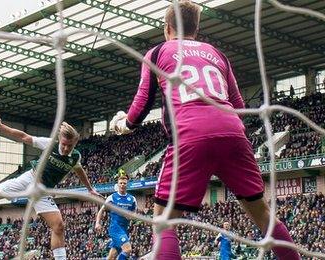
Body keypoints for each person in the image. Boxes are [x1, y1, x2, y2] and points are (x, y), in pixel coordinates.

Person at [109, 1, 300, 259]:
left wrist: (124, 125)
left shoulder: (156, 53)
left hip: (190, 135)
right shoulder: (216, 54)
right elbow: (240, 105)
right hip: (233, 133)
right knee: (264, 215)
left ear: (167, 28)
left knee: (164, 222)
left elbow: (142, 104)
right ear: (196, 30)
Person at [0, 111, 101, 260]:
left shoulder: (75, 157)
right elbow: (23, 136)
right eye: (63, 144)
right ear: (59, 139)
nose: (65, 148)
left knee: (58, 226)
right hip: (29, 179)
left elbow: (80, 171)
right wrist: (0, 126)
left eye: (69, 145)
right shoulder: (49, 144)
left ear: (75, 143)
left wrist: (90, 189)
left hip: (43, 192)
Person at [95, 176, 137, 260]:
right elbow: (101, 210)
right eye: (120, 183)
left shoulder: (132, 199)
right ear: (118, 185)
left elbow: (134, 214)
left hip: (124, 229)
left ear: (127, 185)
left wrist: (130, 216)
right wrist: (97, 223)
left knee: (111, 257)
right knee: (127, 249)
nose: (122, 185)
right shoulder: (111, 197)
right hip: (115, 228)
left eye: (124, 183)